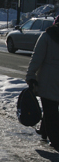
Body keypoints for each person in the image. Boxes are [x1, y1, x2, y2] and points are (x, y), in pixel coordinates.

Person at [26, 18, 59, 151]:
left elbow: (37, 57)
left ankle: (55, 141)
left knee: (50, 110)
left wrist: (31, 76)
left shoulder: (47, 36)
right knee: (52, 110)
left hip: (48, 78)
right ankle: (44, 132)